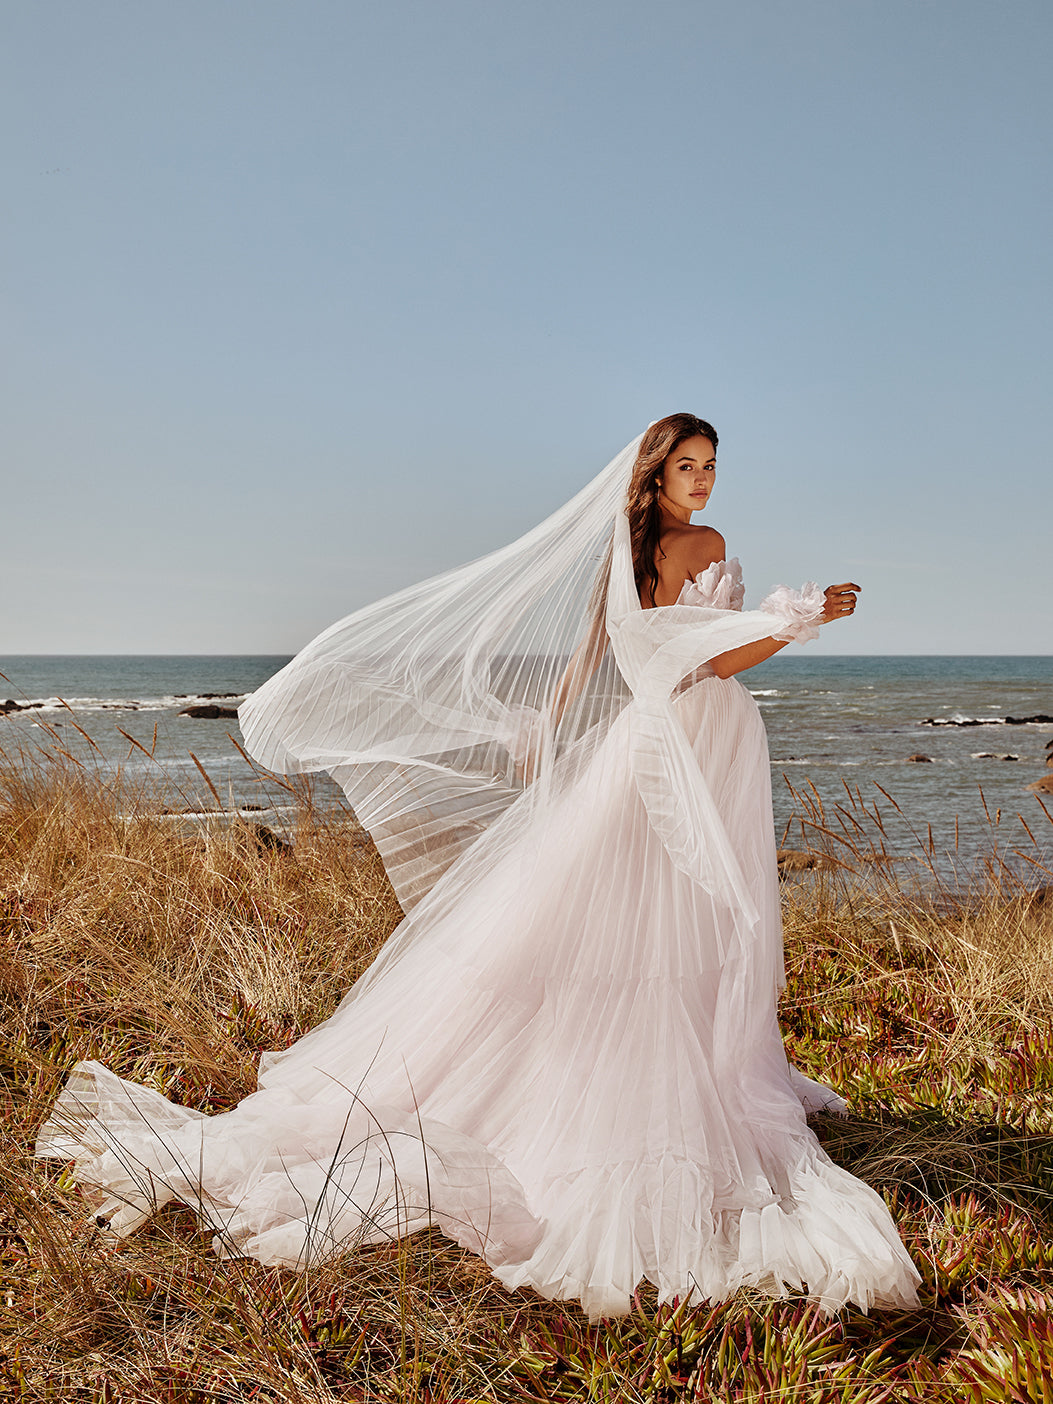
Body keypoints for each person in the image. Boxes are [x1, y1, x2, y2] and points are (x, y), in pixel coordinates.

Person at [38, 414, 921, 1321]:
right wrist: (803, 619)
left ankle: (635, 1057)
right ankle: (668, 1072)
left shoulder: (625, 547)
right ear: (654, 477)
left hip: (639, 742)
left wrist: (554, 718)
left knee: (614, 913)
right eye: (686, 467)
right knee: (684, 913)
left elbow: (598, 647)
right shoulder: (701, 543)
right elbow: (708, 662)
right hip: (695, 737)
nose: (701, 482)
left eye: (709, 468)